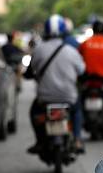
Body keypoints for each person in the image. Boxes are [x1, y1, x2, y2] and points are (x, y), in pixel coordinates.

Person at [26, 14, 86, 154]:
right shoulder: (72, 51)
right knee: (77, 110)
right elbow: (82, 71)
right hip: (68, 97)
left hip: (45, 98)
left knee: (34, 112)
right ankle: (77, 139)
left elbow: (30, 71)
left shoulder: (39, 50)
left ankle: (39, 141)